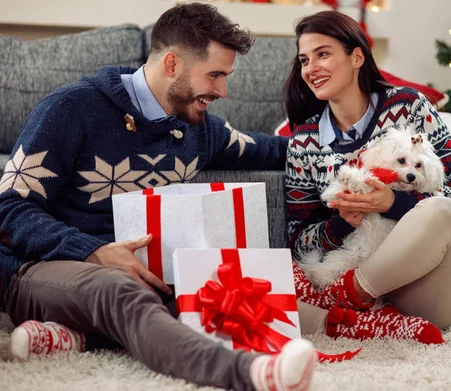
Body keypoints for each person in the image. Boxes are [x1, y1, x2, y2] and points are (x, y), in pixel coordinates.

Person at [0, 4, 318, 390]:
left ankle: (77, 338)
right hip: (41, 269)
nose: (222, 91)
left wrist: (348, 153)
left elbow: (272, 149)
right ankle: (251, 373)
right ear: (171, 64)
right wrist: (92, 250)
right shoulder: (71, 110)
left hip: (144, 277)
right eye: (215, 75)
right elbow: (9, 207)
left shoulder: (200, 131)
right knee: (121, 290)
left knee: (209, 294)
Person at [284, 11, 451, 340]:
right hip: (347, 264)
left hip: (417, 290)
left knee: (444, 211)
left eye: (323, 54)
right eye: (304, 60)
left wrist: (392, 202)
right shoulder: (303, 143)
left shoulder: (410, 107)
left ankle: (353, 294)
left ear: (357, 57)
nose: (310, 68)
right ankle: (367, 314)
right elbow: (298, 241)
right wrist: (342, 222)